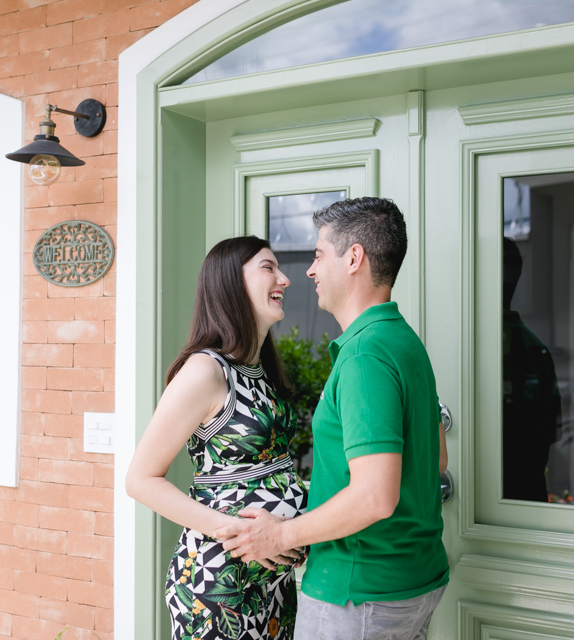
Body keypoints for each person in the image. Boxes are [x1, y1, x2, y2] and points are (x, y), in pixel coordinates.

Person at [215, 197, 449, 640]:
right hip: (415, 582)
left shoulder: (365, 354)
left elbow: (375, 497)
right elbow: (435, 457)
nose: (309, 269)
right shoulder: (404, 341)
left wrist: (280, 537)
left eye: (320, 254)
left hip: (358, 594)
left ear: (354, 258)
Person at [125, 236, 308, 640]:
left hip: (271, 582)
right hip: (218, 580)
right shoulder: (206, 370)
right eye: (268, 267)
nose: (284, 278)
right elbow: (140, 480)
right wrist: (241, 533)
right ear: (230, 282)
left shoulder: (260, 372)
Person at [501, 237, 561, 502]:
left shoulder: (475, 349)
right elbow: (550, 433)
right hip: (528, 500)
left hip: (507, 501)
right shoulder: (537, 351)